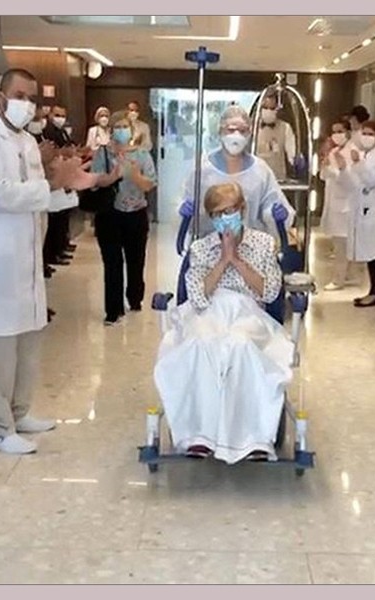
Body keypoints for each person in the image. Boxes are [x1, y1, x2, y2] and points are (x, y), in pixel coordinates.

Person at [0, 68, 98, 455]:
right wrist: (53, 184)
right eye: (20, 95)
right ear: (0, 97)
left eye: (32, 98)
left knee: (27, 341)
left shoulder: (27, 141)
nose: (28, 104)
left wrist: (70, 187)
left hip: (26, 257)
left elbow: (41, 196)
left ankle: (18, 414)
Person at [154, 182, 292, 463]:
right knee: (203, 343)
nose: (225, 217)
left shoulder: (264, 244)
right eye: (218, 213)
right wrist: (222, 260)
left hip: (249, 311)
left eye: (230, 210)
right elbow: (198, 298)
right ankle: (199, 436)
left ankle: (252, 437)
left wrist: (237, 260)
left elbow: (269, 292)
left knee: (239, 345)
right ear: (210, 217)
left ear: (242, 209)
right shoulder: (201, 248)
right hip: (208, 311)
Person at [180, 105, 295, 240]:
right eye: (231, 130)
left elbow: (272, 205)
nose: (236, 135)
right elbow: (187, 209)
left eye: (242, 130)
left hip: (251, 248)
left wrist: (276, 215)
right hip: (210, 246)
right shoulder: (202, 170)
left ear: (249, 133)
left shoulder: (260, 171)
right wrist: (185, 214)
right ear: (220, 131)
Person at [91, 110, 157, 325]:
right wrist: (112, 177)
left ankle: (135, 297)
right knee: (112, 263)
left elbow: (150, 184)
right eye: (116, 127)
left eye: (124, 127)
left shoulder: (142, 155)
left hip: (136, 214)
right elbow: (96, 181)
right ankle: (113, 309)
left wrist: (136, 176)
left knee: (136, 260)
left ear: (131, 130)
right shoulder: (103, 154)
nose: (120, 131)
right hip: (109, 215)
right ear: (110, 131)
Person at [335, 120, 375, 307]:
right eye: (363, 133)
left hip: (372, 208)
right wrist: (343, 168)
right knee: (367, 249)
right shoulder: (358, 155)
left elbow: (371, 180)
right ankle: (371, 290)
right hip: (358, 207)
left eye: (370, 134)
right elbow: (350, 185)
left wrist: (357, 163)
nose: (366, 137)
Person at [319, 116, 357, 290]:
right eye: (334, 132)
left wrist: (337, 171)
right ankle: (345, 275)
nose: (336, 135)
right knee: (339, 244)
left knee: (342, 246)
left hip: (346, 205)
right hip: (333, 203)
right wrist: (325, 163)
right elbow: (323, 176)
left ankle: (338, 279)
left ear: (348, 132)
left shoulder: (353, 152)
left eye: (340, 131)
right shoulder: (333, 153)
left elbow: (349, 180)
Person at [42, 104, 76, 268]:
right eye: (57, 115)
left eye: (62, 115)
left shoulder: (61, 132)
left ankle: (60, 248)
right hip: (51, 178)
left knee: (61, 217)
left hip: (63, 176)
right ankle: (52, 254)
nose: (59, 118)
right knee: (53, 221)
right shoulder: (47, 132)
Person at [255, 91, 298, 181]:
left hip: (277, 178)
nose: (268, 111)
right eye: (265, 108)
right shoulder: (252, 127)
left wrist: (295, 162)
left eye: (272, 108)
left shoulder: (285, 127)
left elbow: (292, 152)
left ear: (277, 109)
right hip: (255, 178)